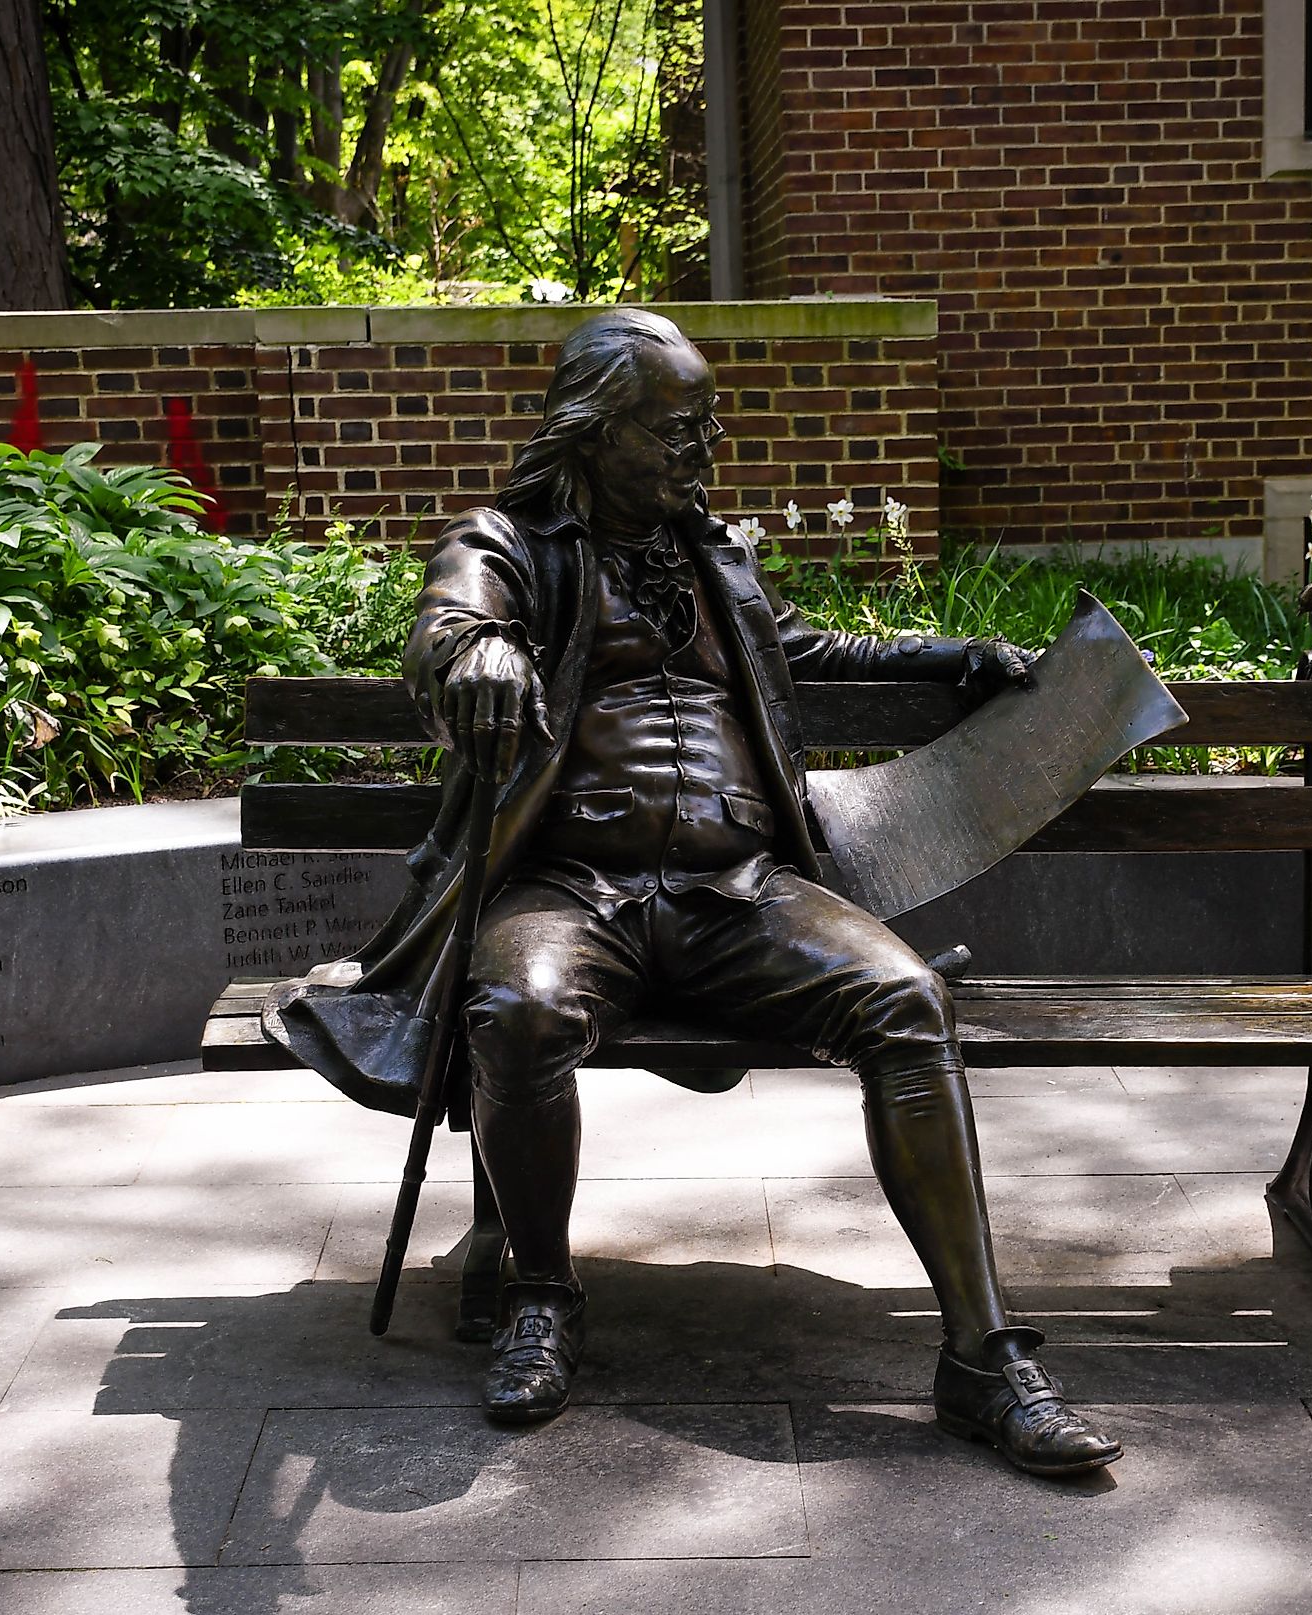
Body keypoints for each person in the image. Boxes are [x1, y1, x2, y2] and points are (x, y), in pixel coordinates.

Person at [277, 308, 1119, 1476]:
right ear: (596, 428)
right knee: (515, 1014)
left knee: (911, 999)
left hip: (742, 887)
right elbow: (449, 625)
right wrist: (480, 654)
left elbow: (806, 654)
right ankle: (540, 1295)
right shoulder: (507, 541)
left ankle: (983, 1356)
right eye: (677, 429)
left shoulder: (715, 555)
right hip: (568, 887)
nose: (702, 449)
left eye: (708, 425)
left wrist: (957, 658)